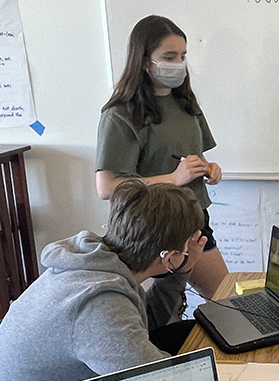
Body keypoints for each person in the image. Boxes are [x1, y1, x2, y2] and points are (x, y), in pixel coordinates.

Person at [0, 180, 206, 381]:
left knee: (192, 339)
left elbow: (145, 323)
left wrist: (180, 270)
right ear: (170, 255)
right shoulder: (99, 303)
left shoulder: (96, 263)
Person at [96, 14, 228, 317]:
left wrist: (208, 169)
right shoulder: (120, 115)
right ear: (144, 61)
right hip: (149, 230)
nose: (178, 63)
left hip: (193, 219)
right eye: (169, 57)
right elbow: (107, 187)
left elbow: (192, 158)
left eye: (182, 56)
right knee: (153, 317)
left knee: (225, 301)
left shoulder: (186, 104)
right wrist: (173, 178)